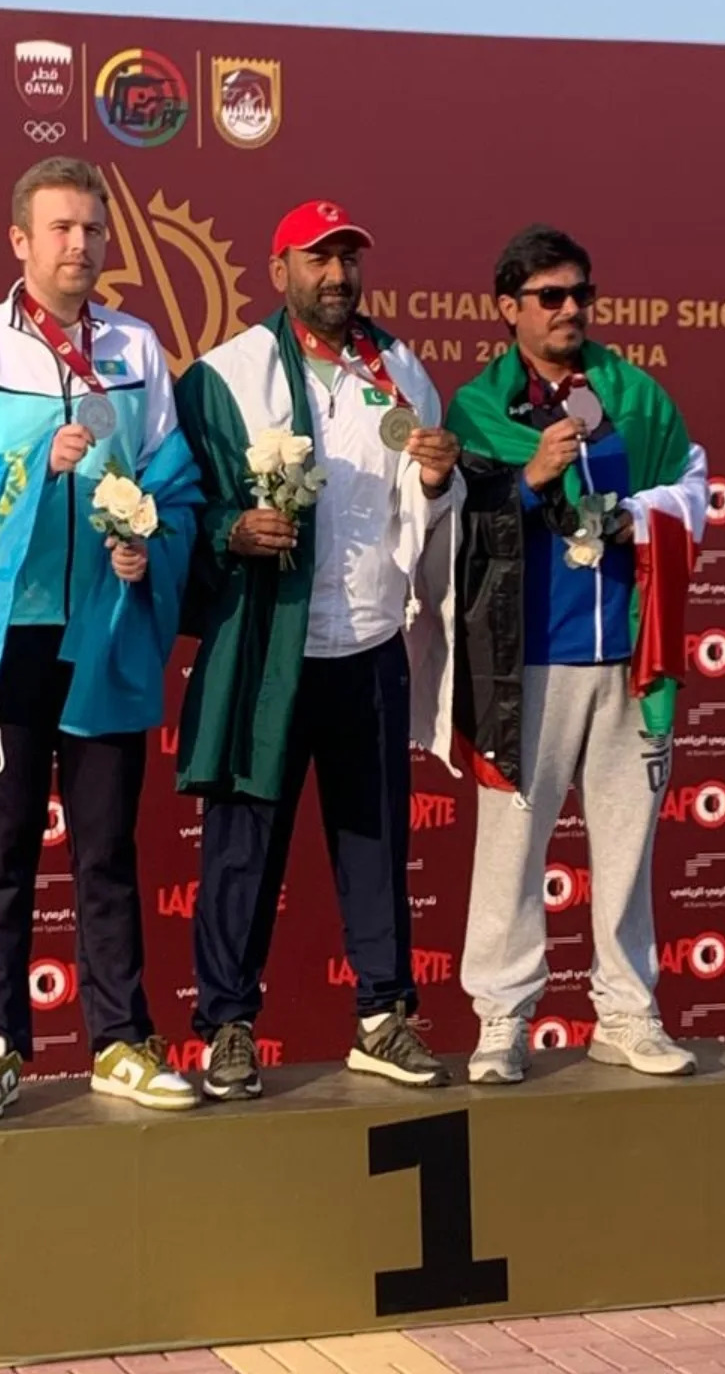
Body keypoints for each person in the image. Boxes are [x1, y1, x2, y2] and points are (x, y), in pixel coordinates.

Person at [0, 157, 203, 1120]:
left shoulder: (138, 348)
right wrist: (32, 464)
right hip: (7, 642)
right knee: (1, 855)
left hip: (104, 633)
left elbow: (176, 483)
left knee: (107, 852)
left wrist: (148, 543)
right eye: (62, 228)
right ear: (20, 241)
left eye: (93, 229)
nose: (81, 244)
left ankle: (120, 1040)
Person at [173, 199, 463, 1100]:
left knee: (375, 842)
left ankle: (383, 1017)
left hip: (369, 641)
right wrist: (231, 530)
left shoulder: (401, 371)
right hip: (267, 650)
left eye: (348, 259)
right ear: (280, 271)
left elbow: (423, 513)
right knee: (242, 846)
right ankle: (227, 1026)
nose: (337, 276)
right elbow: (181, 506)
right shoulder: (227, 376)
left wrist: (436, 480)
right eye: (317, 259)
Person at [447, 224, 708, 1083]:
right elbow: (452, 527)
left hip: (631, 655)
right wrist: (529, 478)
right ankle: (501, 1019)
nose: (570, 309)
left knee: (628, 846)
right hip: (528, 662)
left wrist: (643, 515)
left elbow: (693, 485)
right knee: (511, 847)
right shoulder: (478, 407)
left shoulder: (633, 393)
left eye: (581, 294)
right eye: (550, 296)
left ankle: (627, 1013)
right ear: (508, 307)